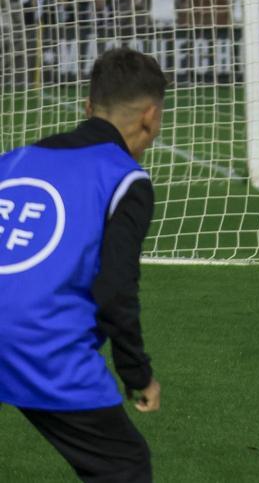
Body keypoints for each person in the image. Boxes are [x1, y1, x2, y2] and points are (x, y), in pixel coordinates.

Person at [0, 48, 167, 482]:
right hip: (37, 341)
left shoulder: (13, 160)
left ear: (88, 108)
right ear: (150, 117)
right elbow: (116, 288)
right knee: (123, 466)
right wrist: (137, 373)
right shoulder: (125, 177)